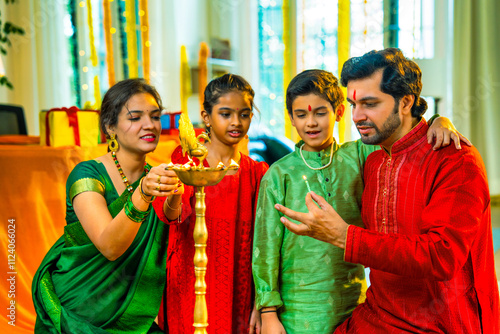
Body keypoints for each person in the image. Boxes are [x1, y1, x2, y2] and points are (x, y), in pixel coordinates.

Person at [275, 48, 499, 333]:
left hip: (439, 322)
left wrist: (346, 236)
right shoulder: (374, 160)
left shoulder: (455, 160)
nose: (357, 117)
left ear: (405, 102)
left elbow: (441, 256)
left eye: (369, 104)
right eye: (353, 105)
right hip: (379, 314)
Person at [32, 78, 184, 333]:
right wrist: (143, 195)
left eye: (155, 116)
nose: (149, 125)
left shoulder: (156, 177)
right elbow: (110, 246)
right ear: (110, 126)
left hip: (130, 315)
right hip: (79, 311)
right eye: (135, 118)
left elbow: (171, 237)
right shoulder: (87, 174)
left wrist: (177, 194)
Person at [154, 74, 269, 334]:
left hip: (240, 282)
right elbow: (172, 216)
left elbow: (265, 243)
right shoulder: (187, 159)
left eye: (244, 114)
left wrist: (262, 301)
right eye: (225, 114)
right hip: (190, 277)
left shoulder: (258, 173)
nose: (236, 123)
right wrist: (175, 191)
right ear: (206, 117)